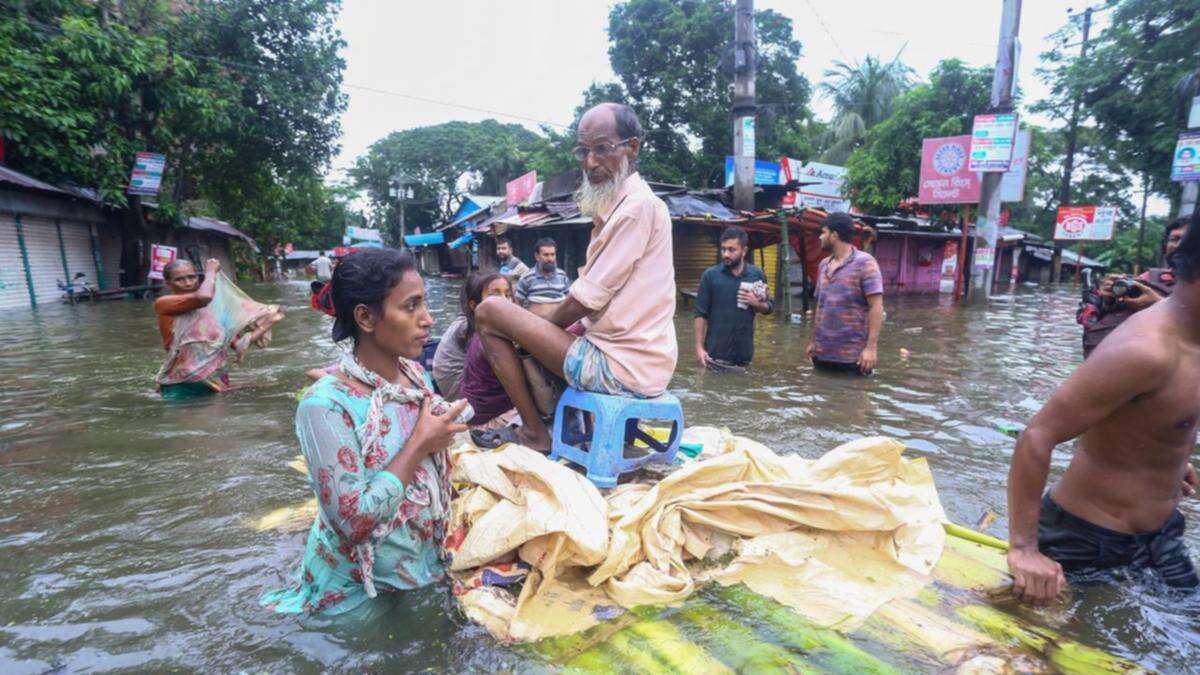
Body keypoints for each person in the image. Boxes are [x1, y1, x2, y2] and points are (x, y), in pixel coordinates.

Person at [261, 248, 471, 618]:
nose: (428, 319)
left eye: (424, 304)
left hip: (418, 569)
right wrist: (421, 443)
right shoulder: (324, 407)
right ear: (366, 317)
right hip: (354, 595)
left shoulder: (413, 375)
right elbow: (353, 524)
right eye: (411, 306)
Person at [1006, 209, 1200, 605]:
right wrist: (1024, 548)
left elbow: (1160, 413)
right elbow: (1038, 435)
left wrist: (1170, 456)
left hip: (1161, 534)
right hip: (1084, 541)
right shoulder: (1145, 350)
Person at [474, 102, 677, 451]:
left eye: (602, 148)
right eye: (583, 151)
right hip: (635, 363)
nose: (590, 162)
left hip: (620, 368)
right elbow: (601, 306)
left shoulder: (635, 208)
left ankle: (536, 434)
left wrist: (539, 330)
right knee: (533, 322)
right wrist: (542, 330)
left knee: (490, 311)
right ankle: (556, 424)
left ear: (632, 147)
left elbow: (585, 300)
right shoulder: (621, 210)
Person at [1078, 216, 1189, 357]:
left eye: (1188, 240)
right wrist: (1108, 298)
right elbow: (1112, 312)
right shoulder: (1149, 277)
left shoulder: (1193, 288)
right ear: (1165, 246)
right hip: (1105, 363)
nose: (1179, 245)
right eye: (1174, 239)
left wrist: (1158, 305)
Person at [806, 212, 883, 375]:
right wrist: (813, 341)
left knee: (851, 398)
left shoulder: (865, 263)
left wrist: (871, 348)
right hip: (822, 354)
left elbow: (876, 307)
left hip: (852, 358)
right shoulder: (823, 265)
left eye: (823, 232)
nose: (820, 237)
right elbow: (820, 305)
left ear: (834, 235)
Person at [694, 226, 773, 371]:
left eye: (732, 250)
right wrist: (699, 348)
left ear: (744, 251)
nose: (726, 254)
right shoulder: (710, 276)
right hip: (714, 355)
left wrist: (756, 303)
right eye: (723, 249)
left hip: (744, 356)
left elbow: (769, 307)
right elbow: (700, 314)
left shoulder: (757, 275)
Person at [459, 273, 518, 429]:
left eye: (508, 294)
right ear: (474, 305)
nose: (504, 300)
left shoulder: (484, 333)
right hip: (490, 421)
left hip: (479, 415)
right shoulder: (489, 340)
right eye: (495, 294)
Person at [514, 237, 571, 317]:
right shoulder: (527, 277)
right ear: (537, 256)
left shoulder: (562, 276)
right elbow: (518, 303)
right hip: (534, 325)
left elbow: (569, 301)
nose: (550, 259)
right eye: (546, 255)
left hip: (560, 325)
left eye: (552, 254)